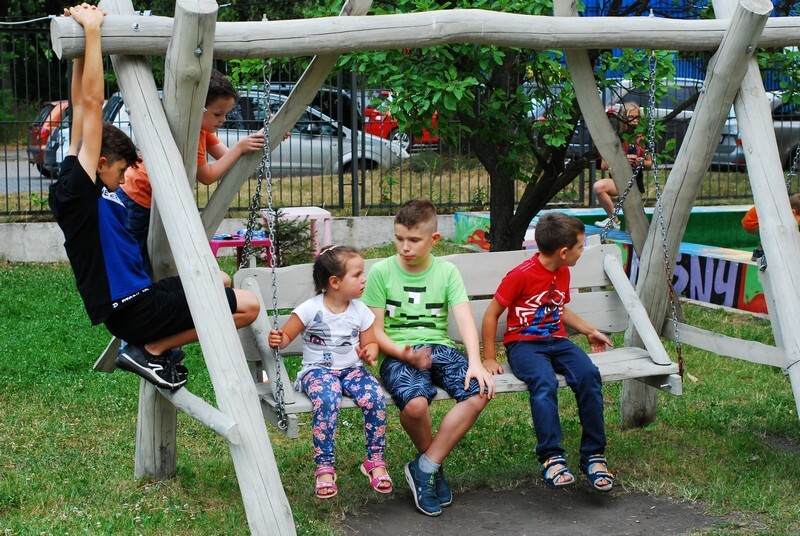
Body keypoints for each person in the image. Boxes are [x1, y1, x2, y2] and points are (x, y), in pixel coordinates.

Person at [49, 3, 260, 391]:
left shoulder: (77, 181)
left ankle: (151, 347)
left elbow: (80, 105)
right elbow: (94, 105)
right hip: (132, 310)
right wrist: (94, 31)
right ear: (99, 163)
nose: (124, 177)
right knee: (248, 306)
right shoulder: (77, 193)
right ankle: (153, 348)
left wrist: (80, 48)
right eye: (120, 169)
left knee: (222, 279)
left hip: (139, 299)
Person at [362, 198, 495, 517]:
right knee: (416, 404)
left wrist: (475, 362)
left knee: (480, 391)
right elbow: (374, 329)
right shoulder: (381, 271)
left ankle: (424, 467)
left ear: (433, 239)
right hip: (398, 353)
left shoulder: (447, 271)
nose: (405, 247)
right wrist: (401, 352)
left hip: (439, 348)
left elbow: (464, 319)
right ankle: (432, 467)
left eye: (413, 240)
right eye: (399, 239)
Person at [481, 212, 615, 492]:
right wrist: (490, 357)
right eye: (580, 247)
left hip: (557, 341)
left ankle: (593, 454)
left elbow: (559, 308)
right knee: (544, 382)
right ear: (564, 252)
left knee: (589, 375)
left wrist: (589, 329)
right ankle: (551, 457)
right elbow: (492, 314)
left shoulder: (563, 271)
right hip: (523, 345)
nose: (582, 251)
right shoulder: (520, 275)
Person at [268, 245, 392, 500]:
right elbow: (287, 335)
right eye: (357, 275)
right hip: (317, 372)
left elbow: (371, 342)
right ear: (335, 282)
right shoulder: (310, 309)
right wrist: (278, 338)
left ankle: (375, 460)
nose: (363, 279)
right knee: (327, 398)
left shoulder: (361, 311)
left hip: (351, 370)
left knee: (375, 396)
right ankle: (324, 467)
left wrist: (369, 352)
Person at [115, 69, 265, 272]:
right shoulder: (189, 135)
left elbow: (227, 158)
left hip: (154, 199)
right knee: (135, 259)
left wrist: (262, 138)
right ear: (198, 109)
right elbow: (207, 176)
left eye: (226, 114)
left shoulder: (203, 129)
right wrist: (239, 147)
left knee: (153, 258)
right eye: (218, 114)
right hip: (137, 197)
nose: (223, 120)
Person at [593, 102, 653, 230]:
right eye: (632, 117)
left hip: (635, 183)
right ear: (623, 118)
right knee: (599, 187)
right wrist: (623, 160)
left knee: (633, 225)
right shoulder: (615, 139)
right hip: (618, 181)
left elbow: (650, 163)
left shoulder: (642, 139)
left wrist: (640, 161)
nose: (635, 121)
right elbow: (604, 165)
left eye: (637, 117)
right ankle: (613, 220)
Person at [741, 193, 800, 261]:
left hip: (760, 222)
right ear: (793, 212)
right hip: (752, 224)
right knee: (776, 230)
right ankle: (759, 252)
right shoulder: (781, 213)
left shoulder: (785, 210)